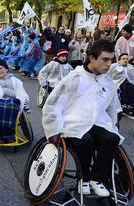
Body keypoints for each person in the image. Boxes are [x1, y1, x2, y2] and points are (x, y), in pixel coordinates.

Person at [42, 39, 123, 197]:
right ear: (92, 58)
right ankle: (83, 178)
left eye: (111, 60)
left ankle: (97, 179)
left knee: (112, 138)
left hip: (97, 121)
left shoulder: (108, 82)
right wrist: (54, 129)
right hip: (72, 122)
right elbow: (53, 105)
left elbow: (113, 107)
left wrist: (113, 125)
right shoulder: (74, 78)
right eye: (105, 59)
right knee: (86, 141)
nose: (109, 64)